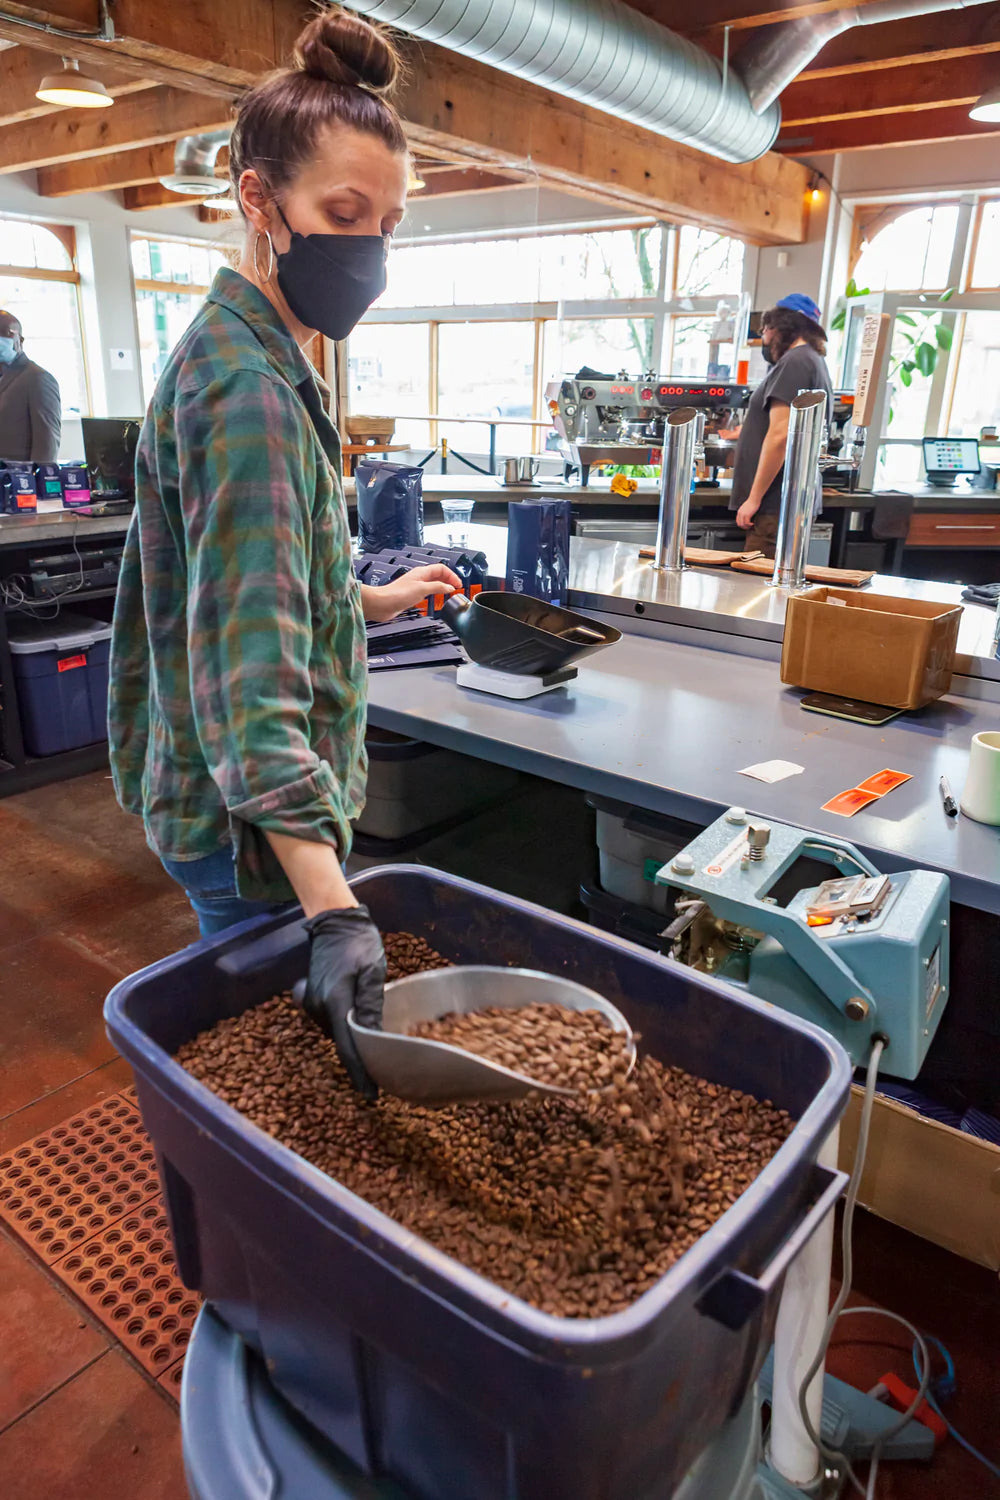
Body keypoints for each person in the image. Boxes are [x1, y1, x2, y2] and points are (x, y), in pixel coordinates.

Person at [108, 6, 458, 1097]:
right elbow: (248, 676)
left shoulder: (244, 347)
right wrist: (335, 907)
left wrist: (377, 601)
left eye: (388, 223)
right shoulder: (249, 395)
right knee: (288, 1075)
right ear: (259, 200)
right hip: (251, 823)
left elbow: (250, 600)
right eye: (343, 213)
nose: (369, 249)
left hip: (219, 793)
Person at [730, 293, 833, 558]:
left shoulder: (795, 362)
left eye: (765, 330)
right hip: (784, 504)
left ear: (780, 328)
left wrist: (753, 499)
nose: (764, 339)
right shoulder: (810, 360)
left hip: (774, 505)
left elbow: (781, 435)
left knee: (758, 589)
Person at [0, 310, 62, 462]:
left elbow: (47, 441)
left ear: (18, 341)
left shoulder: (37, 378)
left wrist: (39, 479)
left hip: (19, 478)